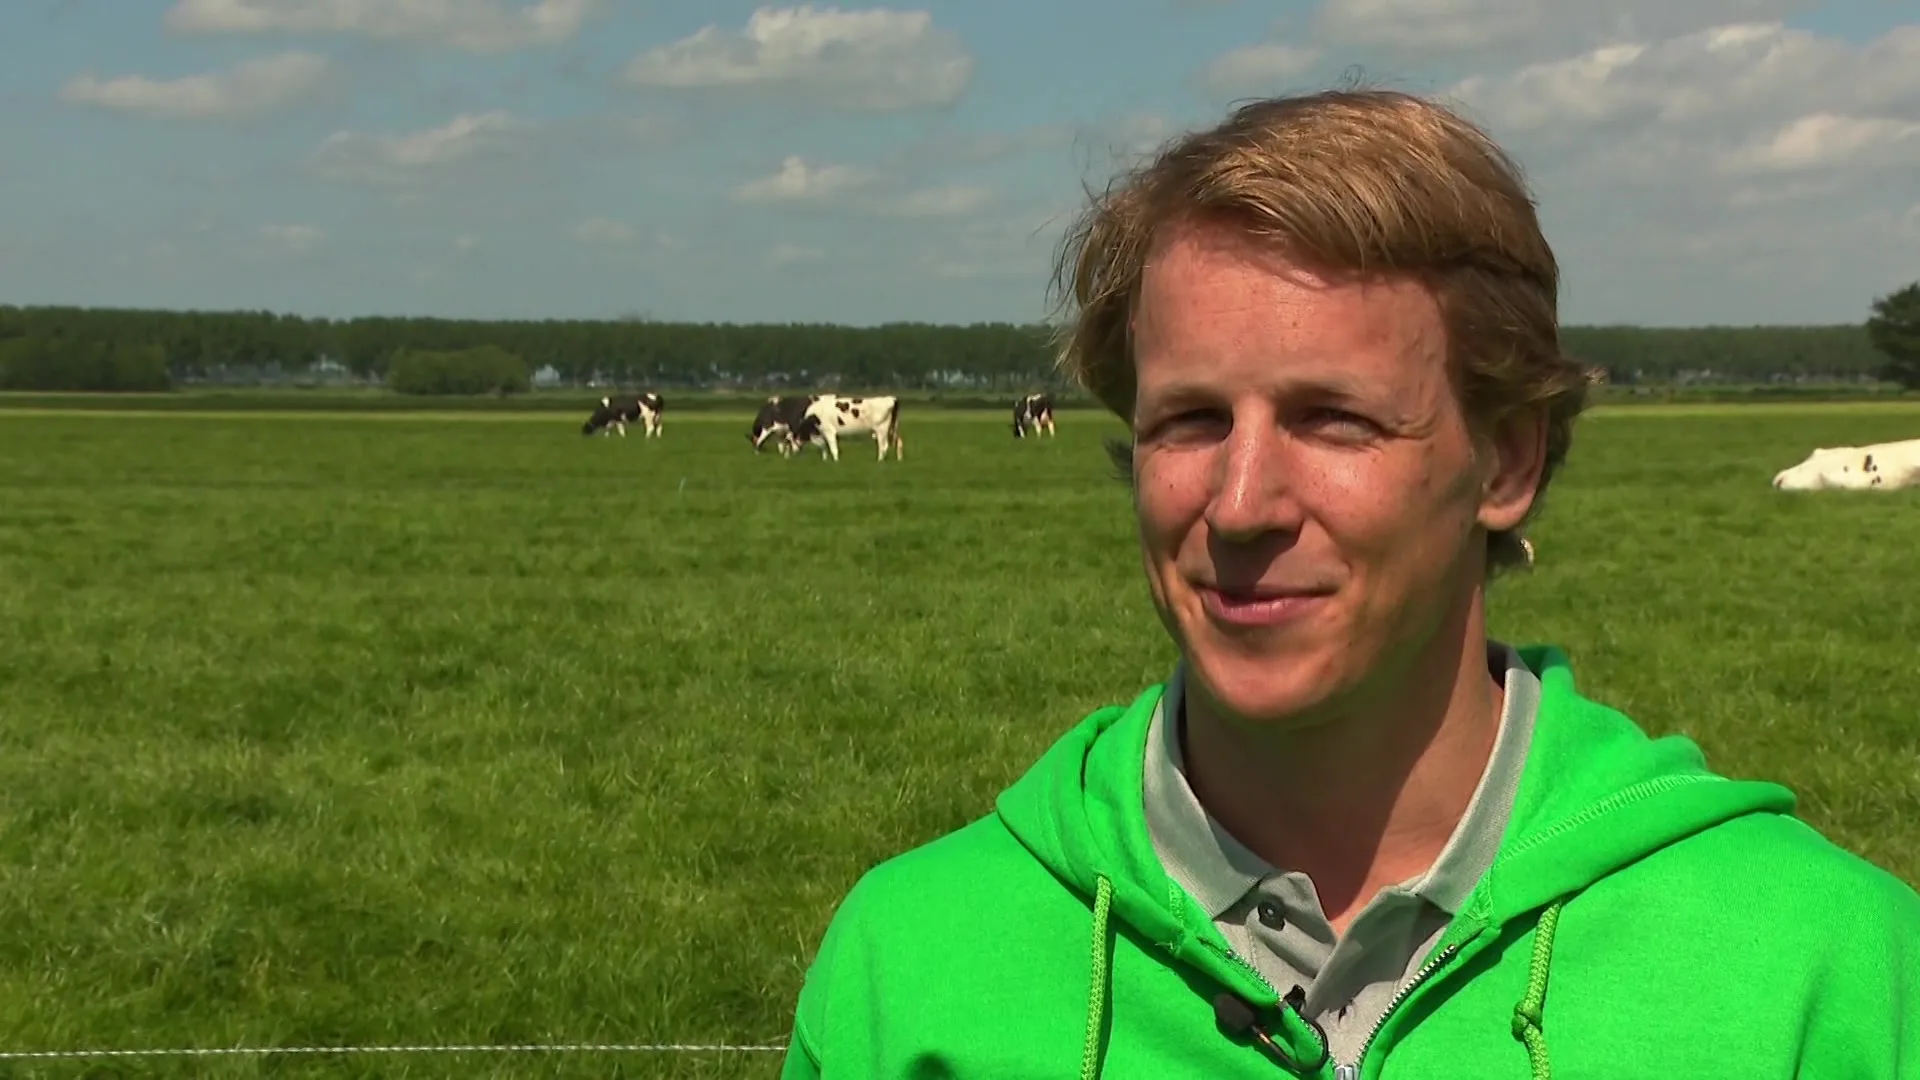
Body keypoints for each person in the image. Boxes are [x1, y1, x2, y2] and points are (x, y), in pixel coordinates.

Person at [777, 89, 1920, 1078]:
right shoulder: (911, 966)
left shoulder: (1823, 971)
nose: (1241, 504)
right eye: (1190, 420)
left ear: (1505, 462)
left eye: (1333, 420)